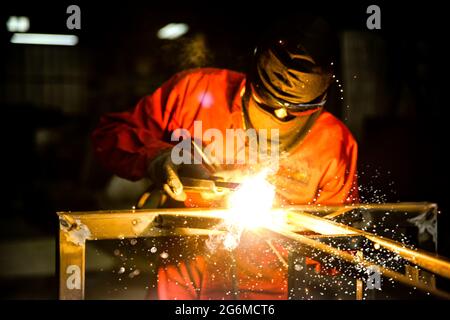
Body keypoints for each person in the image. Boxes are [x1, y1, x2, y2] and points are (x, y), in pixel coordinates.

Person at [92, 16, 359, 299]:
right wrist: (157, 158)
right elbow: (110, 134)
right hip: (178, 283)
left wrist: (317, 240)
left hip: (266, 293)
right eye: (268, 105)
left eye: (293, 112)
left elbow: (334, 251)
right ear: (253, 79)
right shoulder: (195, 92)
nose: (280, 115)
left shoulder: (334, 143)